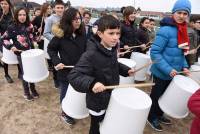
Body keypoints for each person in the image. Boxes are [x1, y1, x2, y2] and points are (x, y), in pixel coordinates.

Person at [67, 15, 135, 134]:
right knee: (96, 126)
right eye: (111, 33)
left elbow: (113, 64)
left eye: (118, 33)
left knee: (106, 122)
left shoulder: (111, 49)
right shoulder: (91, 54)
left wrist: (126, 70)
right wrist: (92, 83)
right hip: (97, 100)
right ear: (100, 34)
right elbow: (74, 76)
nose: (115, 38)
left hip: (110, 95)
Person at [147, 0, 191, 132]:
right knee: (156, 95)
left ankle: (159, 115)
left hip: (174, 73)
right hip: (161, 72)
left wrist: (184, 66)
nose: (182, 16)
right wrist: (167, 69)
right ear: (173, 13)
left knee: (166, 95)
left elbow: (181, 53)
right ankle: (151, 116)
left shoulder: (183, 30)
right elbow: (154, 53)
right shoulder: (165, 30)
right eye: (179, 12)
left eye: (185, 13)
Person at [48, 7, 87, 125]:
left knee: (77, 91)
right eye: (74, 19)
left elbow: (87, 49)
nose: (78, 21)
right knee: (65, 92)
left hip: (80, 71)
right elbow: (51, 49)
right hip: (65, 72)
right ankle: (64, 112)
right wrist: (56, 61)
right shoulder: (60, 35)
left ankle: (76, 108)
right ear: (68, 20)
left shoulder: (82, 33)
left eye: (79, 18)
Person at [2, 7, 39, 101]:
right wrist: (11, 47)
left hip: (31, 53)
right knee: (24, 73)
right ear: (16, 15)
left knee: (31, 71)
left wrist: (36, 38)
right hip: (21, 54)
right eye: (20, 15)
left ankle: (33, 89)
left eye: (24, 15)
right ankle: (26, 93)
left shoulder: (29, 25)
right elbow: (4, 39)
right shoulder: (12, 27)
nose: (22, 17)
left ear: (26, 16)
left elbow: (32, 36)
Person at [43, 0, 65, 88]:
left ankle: (63, 78)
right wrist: (56, 39)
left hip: (65, 45)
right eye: (58, 8)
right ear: (54, 8)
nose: (60, 9)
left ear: (64, 8)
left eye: (61, 8)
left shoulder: (66, 18)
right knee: (56, 62)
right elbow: (46, 33)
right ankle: (56, 79)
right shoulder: (50, 19)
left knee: (63, 61)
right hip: (55, 45)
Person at [0, 0, 21, 83]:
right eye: (1, 4)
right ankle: (6, 74)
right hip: (4, 39)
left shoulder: (13, 14)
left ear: (9, 5)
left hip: (14, 37)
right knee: (6, 57)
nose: (3, 5)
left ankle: (20, 72)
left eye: (5, 4)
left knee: (17, 54)